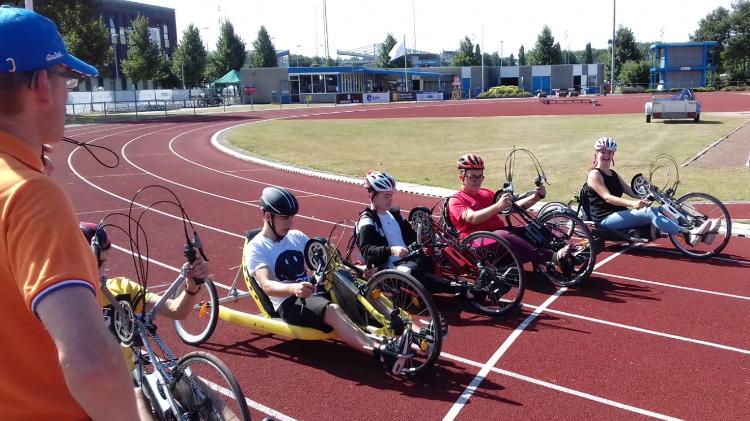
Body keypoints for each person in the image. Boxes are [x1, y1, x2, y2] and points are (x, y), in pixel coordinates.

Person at [0, 6, 140, 420]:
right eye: (68, 79)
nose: (69, 93)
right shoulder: (30, 195)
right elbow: (92, 365)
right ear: (42, 84)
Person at [244, 186, 412, 374]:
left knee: (361, 292)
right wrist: (293, 289)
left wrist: (358, 270)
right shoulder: (257, 248)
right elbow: (266, 285)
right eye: (284, 218)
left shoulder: (296, 237)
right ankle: (380, 352)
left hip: (314, 290)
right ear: (268, 216)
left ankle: (405, 327)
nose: (290, 223)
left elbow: (327, 261)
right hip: (291, 302)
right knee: (333, 310)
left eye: (292, 217)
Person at [585, 137, 718, 246]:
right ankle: (688, 233)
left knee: (662, 210)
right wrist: (633, 204)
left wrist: (650, 193)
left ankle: (697, 232)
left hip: (618, 215)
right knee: (649, 213)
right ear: (596, 154)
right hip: (604, 219)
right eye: (603, 152)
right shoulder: (595, 175)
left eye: (610, 152)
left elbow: (632, 192)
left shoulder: (613, 173)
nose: (606, 155)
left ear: (613, 154)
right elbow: (607, 197)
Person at [447, 153, 571, 269]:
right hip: (477, 244)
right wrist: (498, 206)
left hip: (497, 236)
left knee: (533, 229)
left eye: (480, 177)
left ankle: (573, 251)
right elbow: (472, 218)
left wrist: (536, 197)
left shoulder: (486, 193)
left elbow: (514, 208)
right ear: (461, 177)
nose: (478, 180)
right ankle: (552, 257)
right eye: (473, 177)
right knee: (503, 236)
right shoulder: (456, 200)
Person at [356, 171, 453, 295]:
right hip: (389, 269)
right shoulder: (367, 220)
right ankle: (460, 289)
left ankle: (457, 285)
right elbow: (367, 250)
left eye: (391, 195)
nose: (390, 200)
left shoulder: (395, 214)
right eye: (386, 196)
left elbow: (411, 235)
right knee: (411, 272)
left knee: (432, 260)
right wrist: (391, 250)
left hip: (409, 259)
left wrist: (425, 237)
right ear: (372, 196)